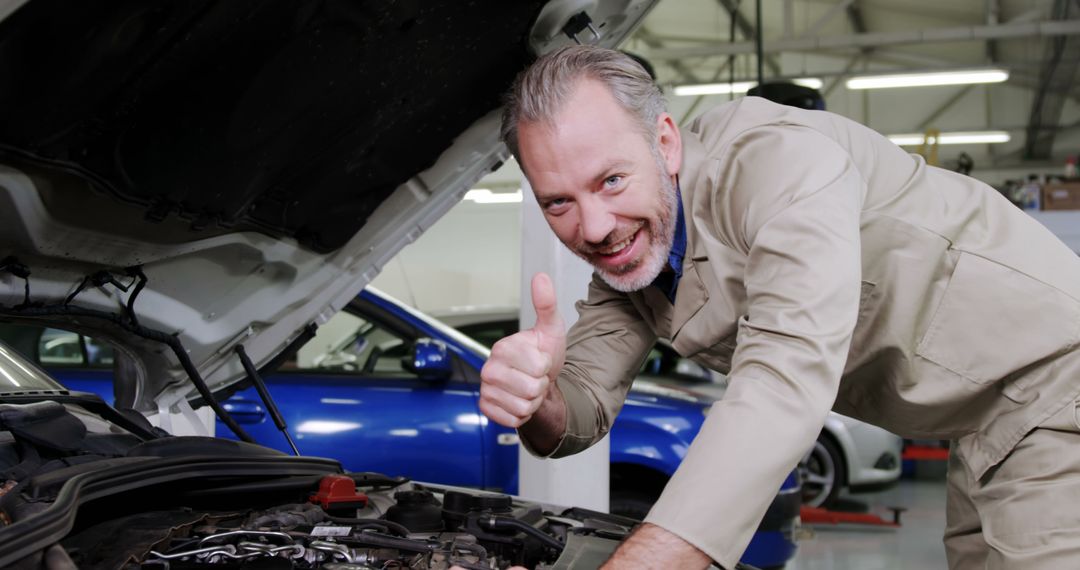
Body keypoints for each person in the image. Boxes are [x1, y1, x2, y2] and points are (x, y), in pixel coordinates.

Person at [478, 45, 1080, 569]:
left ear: (664, 141)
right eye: (559, 202)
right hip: (979, 424)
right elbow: (581, 410)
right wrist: (539, 399)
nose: (595, 227)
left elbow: (783, 375)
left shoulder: (776, 164)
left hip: (1054, 381)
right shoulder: (636, 261)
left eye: (611, 180)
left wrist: (650, 557)